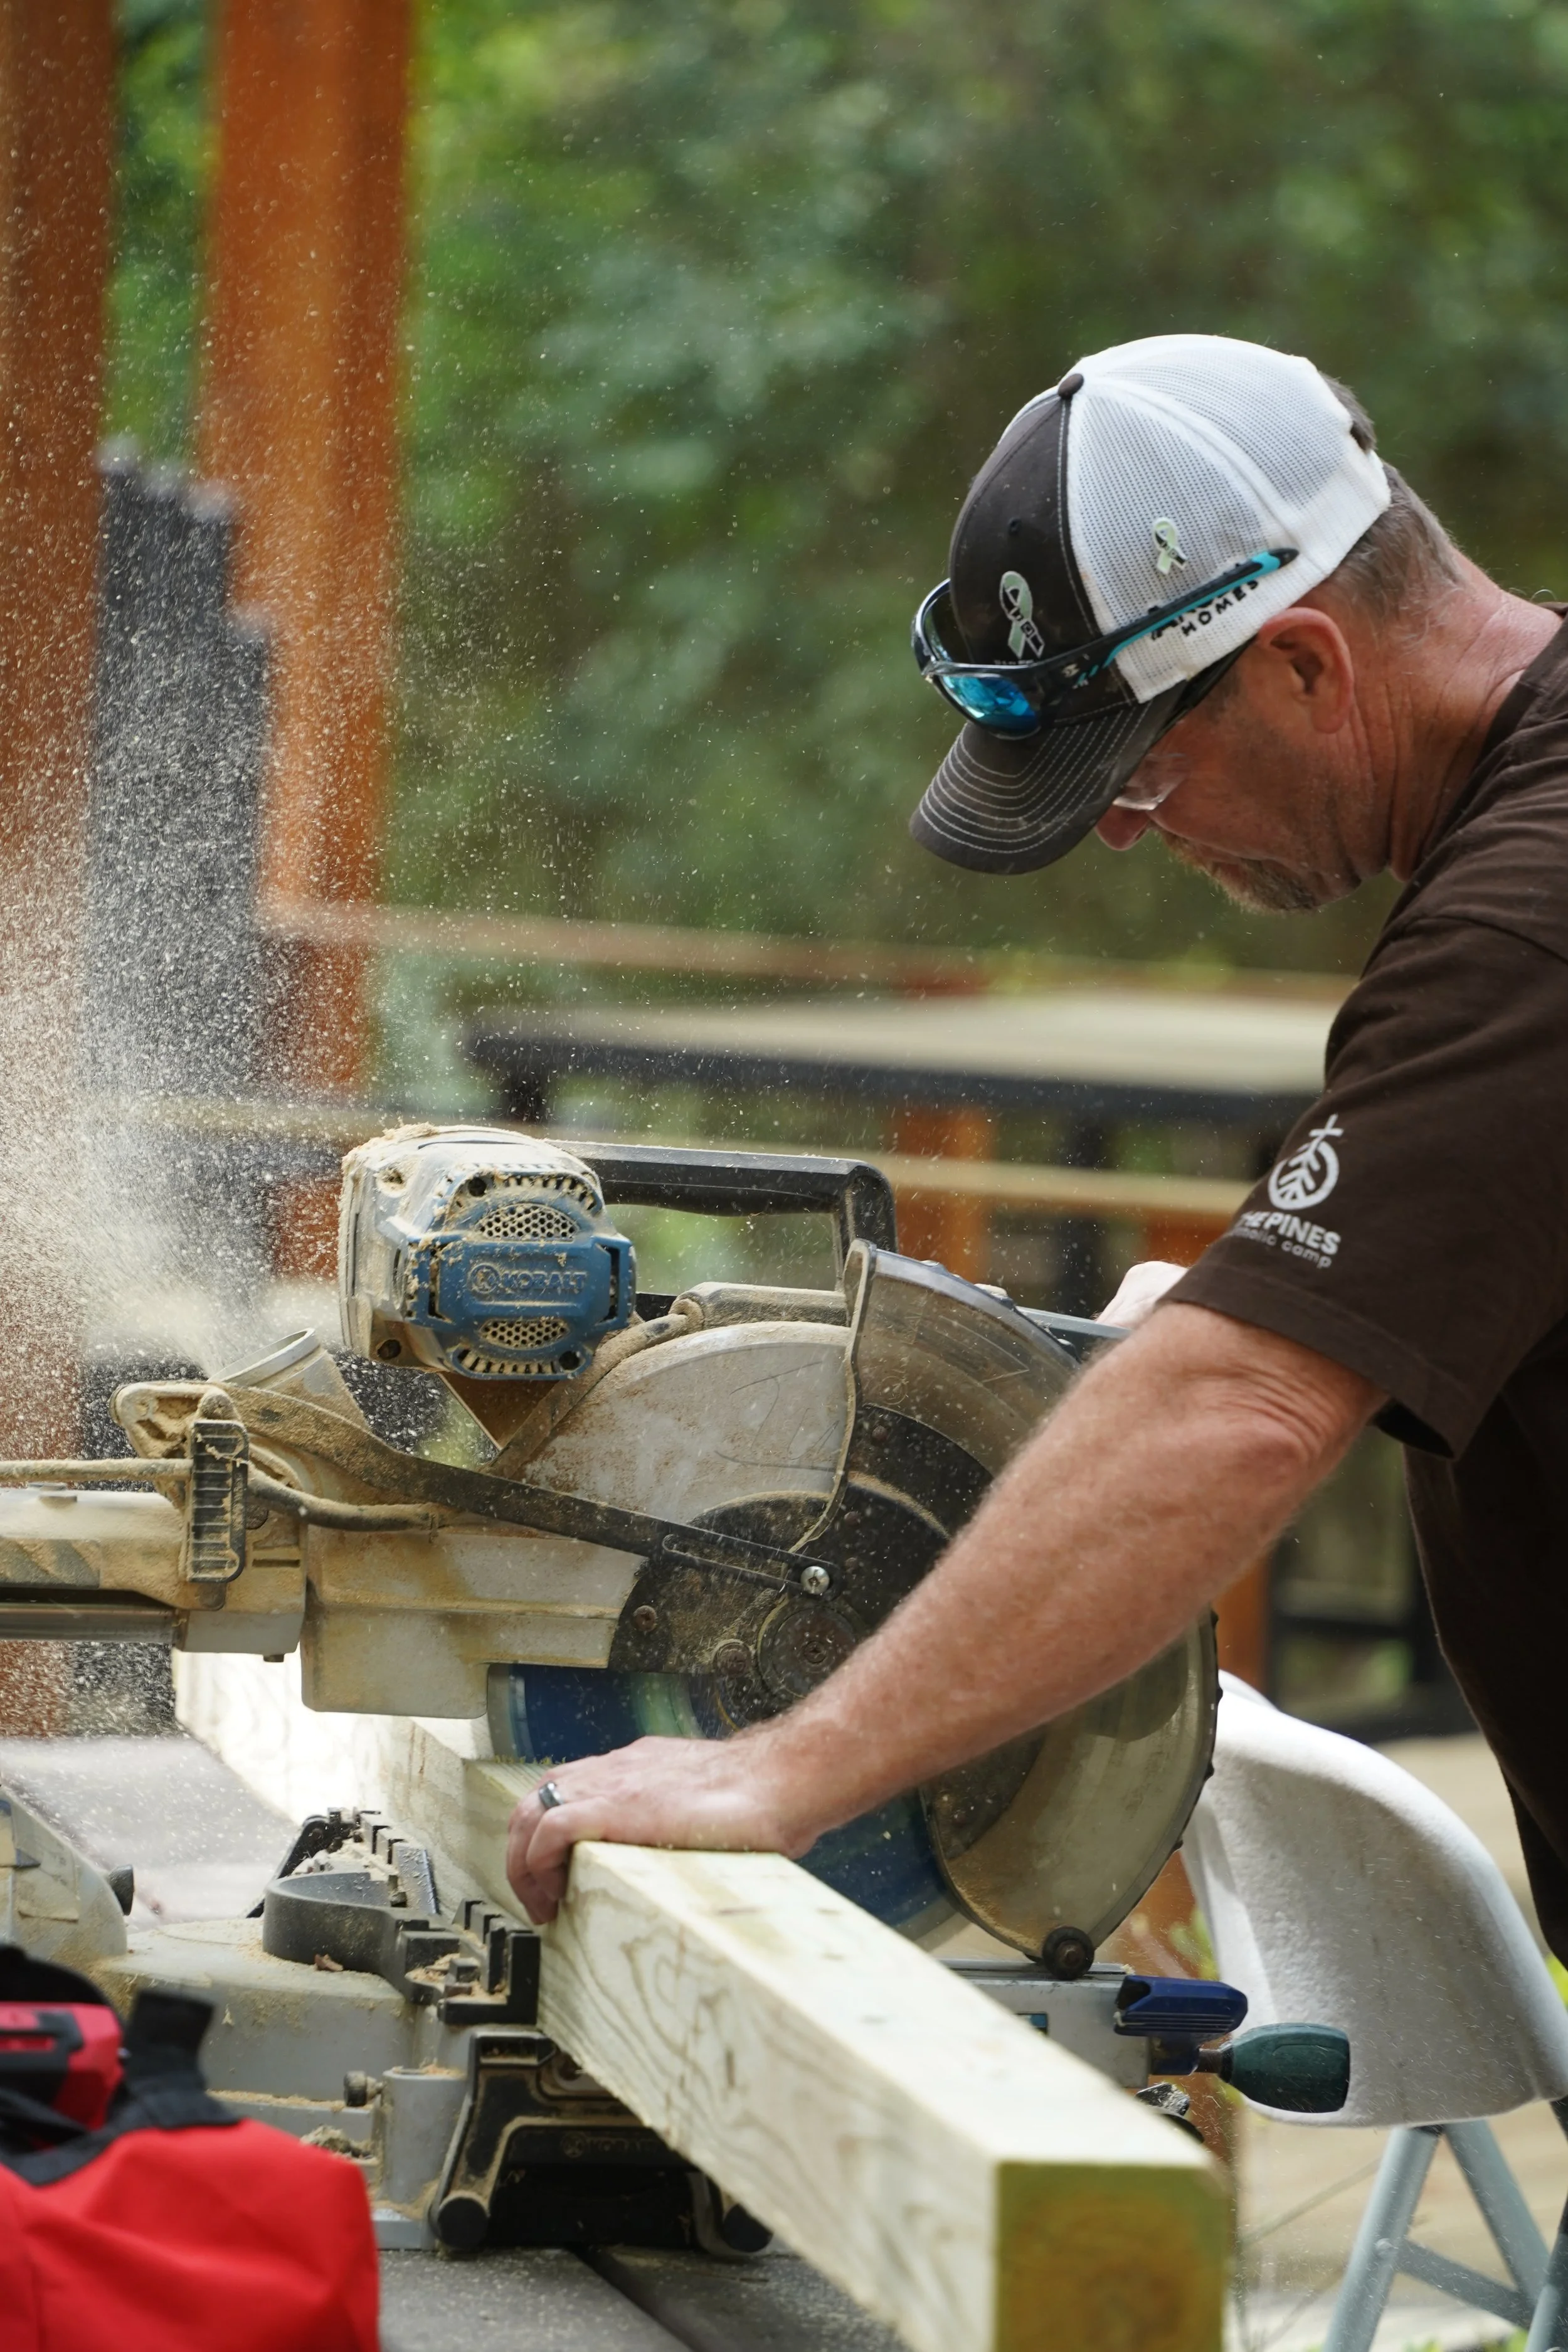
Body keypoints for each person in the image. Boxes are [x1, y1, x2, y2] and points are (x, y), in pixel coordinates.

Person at [507, 332, 1568, 1966]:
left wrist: (790, 1764)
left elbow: (1242, 1404)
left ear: (1302, 665)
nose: (1128, 827)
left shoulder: (1530, 914)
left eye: (1137, 762)